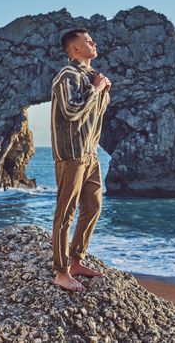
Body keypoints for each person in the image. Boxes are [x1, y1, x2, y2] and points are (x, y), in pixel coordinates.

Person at [50, 28, 111, 292]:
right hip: (71, 155)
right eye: (87, 41)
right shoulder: (68, 75)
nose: (93, 43)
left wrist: (103, 91)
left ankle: (76, 260)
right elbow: (72, 110)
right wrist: (96, 90)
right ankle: (61, 272)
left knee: (93, 206)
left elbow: (94, 119)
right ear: (74, 49)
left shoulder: (91, 77)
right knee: (66, 213)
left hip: (90, 153)